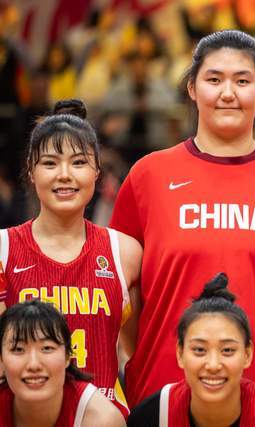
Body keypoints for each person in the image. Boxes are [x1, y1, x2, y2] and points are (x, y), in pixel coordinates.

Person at [109, 29, 255, 406]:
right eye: (214, 80)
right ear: (192, 88)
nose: (227, 93)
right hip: (163, 394)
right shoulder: (148, 176)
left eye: (242, 81)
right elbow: (125, 294)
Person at [0, 99, 142, 417]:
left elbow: (137, 356)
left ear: (97, 172)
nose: (64, 175)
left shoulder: (126, 253)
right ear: (31, 171)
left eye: (78, 162)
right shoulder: (3, 250)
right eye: (50, 163)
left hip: (103, 418)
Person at [128, 273, 255, 426]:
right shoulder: (150, 417)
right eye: (199, 350)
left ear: (248, 354)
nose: (213, 365)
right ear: (180, 353)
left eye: (227, 350)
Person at [0, 299, 125, 426]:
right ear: (1, 359)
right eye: (18, 349)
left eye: (47, 348)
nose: (33, 365)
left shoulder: (102, 419)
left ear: (67, 356)